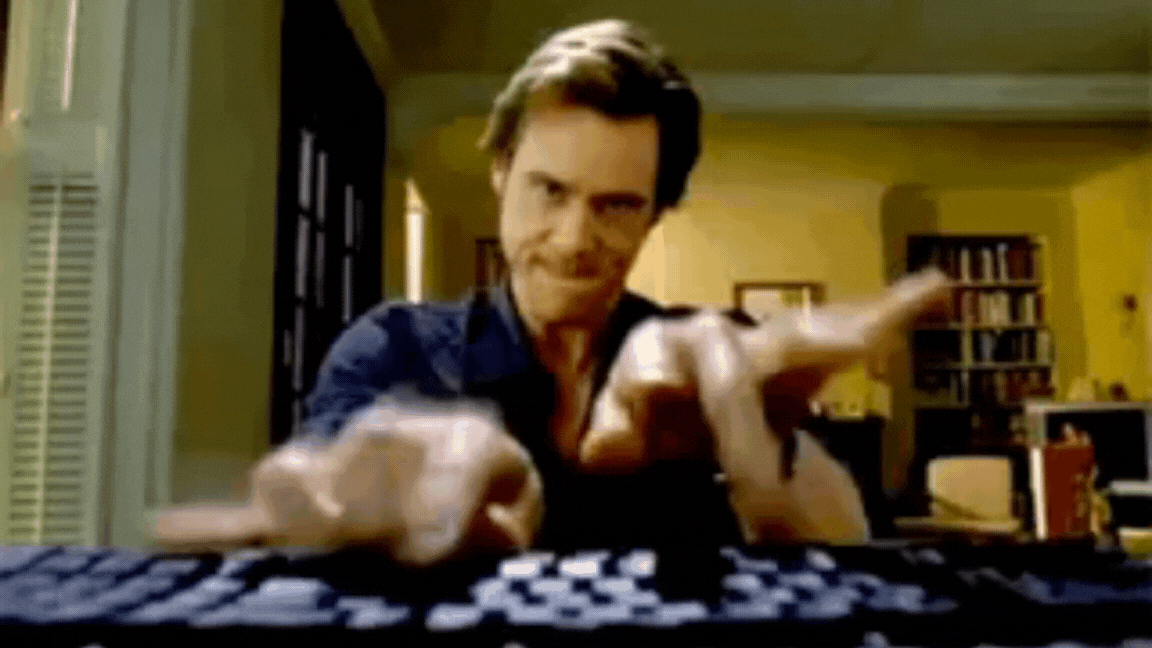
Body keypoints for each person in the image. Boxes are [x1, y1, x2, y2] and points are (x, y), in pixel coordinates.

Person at [154, 18, 950, 565]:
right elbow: (324, 504)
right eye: (550, 191)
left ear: (657, 213)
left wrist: (769, 453)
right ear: (501, 171)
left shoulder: (711, 358)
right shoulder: (391, 349)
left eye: (617, 206)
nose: (573, 240)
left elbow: (854, 562)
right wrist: (379, 504)